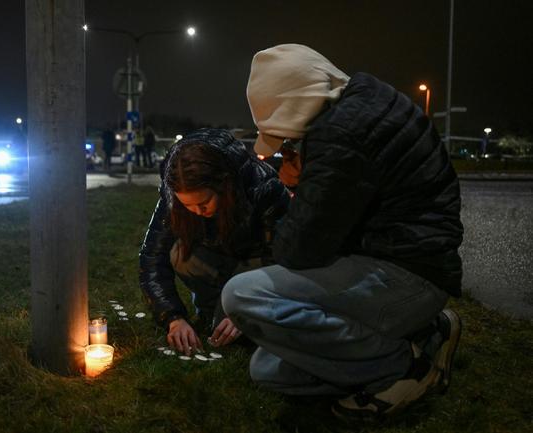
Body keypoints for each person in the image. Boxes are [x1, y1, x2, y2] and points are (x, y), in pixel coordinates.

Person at [221, 44, 464, 421]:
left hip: (407, 274)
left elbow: (298, 250)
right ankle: (426, 335)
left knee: (241, 295)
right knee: (266, 370)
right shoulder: (361, 99)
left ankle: (404, 368)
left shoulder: (341, 136)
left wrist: (297, 185)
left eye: (284, 141)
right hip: (405, 264)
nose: (286, 152)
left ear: (294, 105)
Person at [139, 128, 290, 356]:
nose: (197, 212)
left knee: (244, 332)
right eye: (187, 206)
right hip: (217, 263)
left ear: (224, 186)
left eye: (204, 202)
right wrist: (173, 317)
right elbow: (152, 258)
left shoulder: (263, 187)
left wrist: (246, 311)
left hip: (255, 265)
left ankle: (234, 312)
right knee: (179, 253)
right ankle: (213, 311)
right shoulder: (173, 197)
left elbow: (282, 259)